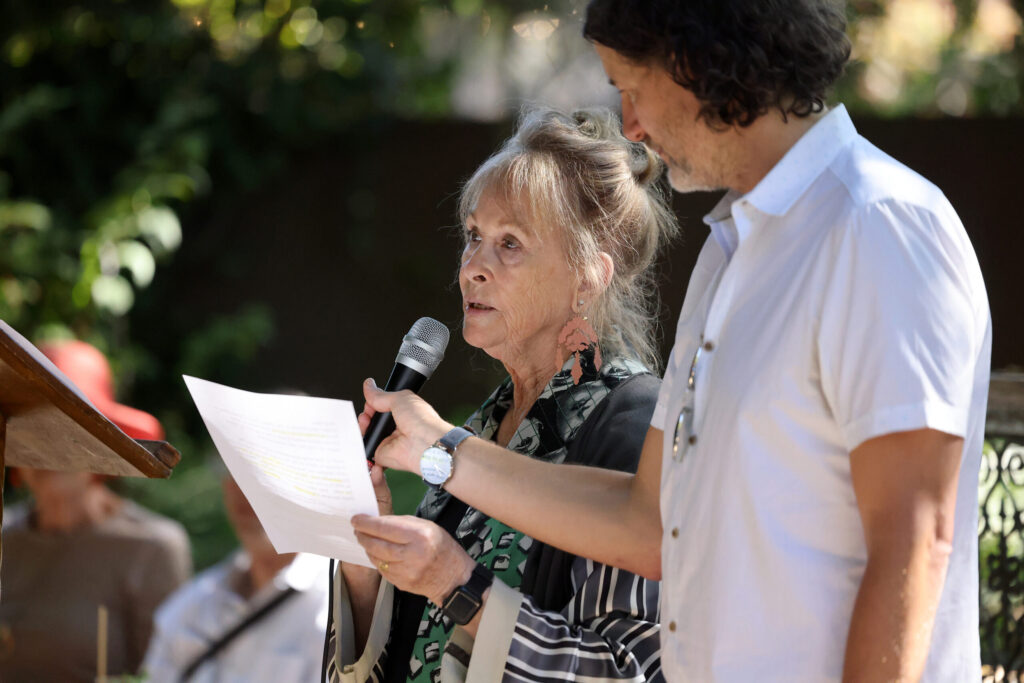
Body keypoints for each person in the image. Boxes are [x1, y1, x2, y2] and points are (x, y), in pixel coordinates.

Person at [358, 1, 992, 681]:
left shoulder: (877, 225)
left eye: (632, 87)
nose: (629, 124)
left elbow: (912, 543)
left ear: (702, 60)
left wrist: (459, 572)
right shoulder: (729, 256)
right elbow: (646, 521)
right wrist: (439, 448)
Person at [328, 107, 677, 682]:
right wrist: (366, 562)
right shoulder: (489, 423)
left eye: (510, 243)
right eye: (473, 237)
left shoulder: (637, 430)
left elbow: (627, 672)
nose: (472, 268)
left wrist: (457, 584)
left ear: (589, 277)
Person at [0, 339, 192, 682]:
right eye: (35, 431)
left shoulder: (151, 549)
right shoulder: (5, 537)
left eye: (69, 433)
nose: (51, 451)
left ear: (102, 445)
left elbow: (166, 675)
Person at [141, 472, 330, 682]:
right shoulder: (187, 607)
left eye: (267, 476)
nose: (248, 494)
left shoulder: (339, 610)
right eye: (236, 474)